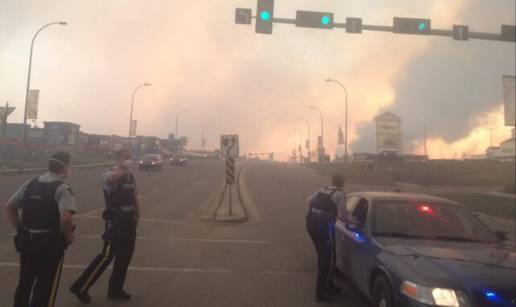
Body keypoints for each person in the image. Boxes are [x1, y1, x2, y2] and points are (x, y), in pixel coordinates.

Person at [5, 151, 76, 307]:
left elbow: (10, 206)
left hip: (27, 241)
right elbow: (66, 218)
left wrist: (20, 229)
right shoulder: (63, 189)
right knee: (44, 286)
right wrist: (68, 236)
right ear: (65, 168)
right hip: (49, 244)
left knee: (24, 283)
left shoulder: (30, 183)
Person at [70, 148, 139, 303]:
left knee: (124, 257)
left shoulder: (131, 176)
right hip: (115, 221)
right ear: (118, 159)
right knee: (107, 256)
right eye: (125, 157)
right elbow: (110, 181)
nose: (129, 160)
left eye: (130, 157)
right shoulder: (110, 173)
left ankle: (115, 289)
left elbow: (134, 196)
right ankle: (80, 287)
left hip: (129, 221)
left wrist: (137, 216)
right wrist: (120, 168)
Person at [306, 174, 347, 303]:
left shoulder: (323, 189)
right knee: (327, 258)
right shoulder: (340, 195)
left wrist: (313, 213)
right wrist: (353, 221)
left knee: (323, 254)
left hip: (311, 224)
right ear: (342, 182)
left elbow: (308, 201)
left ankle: (329, 285)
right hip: (322, 226)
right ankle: (321, 293)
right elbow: (342, 217)